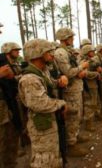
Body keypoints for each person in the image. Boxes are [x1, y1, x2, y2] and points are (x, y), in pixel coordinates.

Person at [18, 39, 67, 168]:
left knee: (52, 154)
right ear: (38, 53)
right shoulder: (30, 78)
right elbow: (40, 104)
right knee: (44, 159)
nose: (52, 54)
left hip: (48, 119)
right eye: (48, 51)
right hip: (41, 124)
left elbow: (49, 85)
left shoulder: (42, 71)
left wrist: (59, 82)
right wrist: (61, 103)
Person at [54, 27, 89, 157]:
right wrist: (82, 67)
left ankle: (75, 135)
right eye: (71, 37)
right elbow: (68, 72)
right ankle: (70, 143)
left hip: (76, 88)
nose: (73, 39)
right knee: (72, 116)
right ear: (65, 38)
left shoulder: (67, 51)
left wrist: (80, 71)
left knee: (77, 115)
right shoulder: (60, 53)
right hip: (70, 91)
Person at [0, 42, 23, 168]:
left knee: (12, 137)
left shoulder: (10, 64)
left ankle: (11, 164)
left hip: (10, 104)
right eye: (16, 50)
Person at [80, 45, 100, 131]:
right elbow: (85, 73)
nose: (93, 52)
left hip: (93, 84)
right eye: (91, 51)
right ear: (87, 52)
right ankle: (88, 125)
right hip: (88, 85)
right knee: (89, 104)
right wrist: (96, 74)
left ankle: (91, 122)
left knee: (93, 103)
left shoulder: (91, 61)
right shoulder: (84, 62)